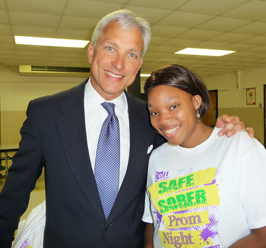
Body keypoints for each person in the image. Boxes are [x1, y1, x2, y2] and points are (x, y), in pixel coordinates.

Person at [0, 10, 249, 248]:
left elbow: (189, 152)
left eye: (132, 54)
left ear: (139, 63)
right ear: (91, 52)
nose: (119, 64)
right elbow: (13, 196)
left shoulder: (152, 119)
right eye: (110, 48)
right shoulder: (46, 113)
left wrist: (223, 135)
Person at [142, 64, 266, 248]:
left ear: (195, 102)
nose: (163, 120)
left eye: (174, 106)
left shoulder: (238, 145)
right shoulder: (157, 157)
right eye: (154, 112)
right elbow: (153, 224)